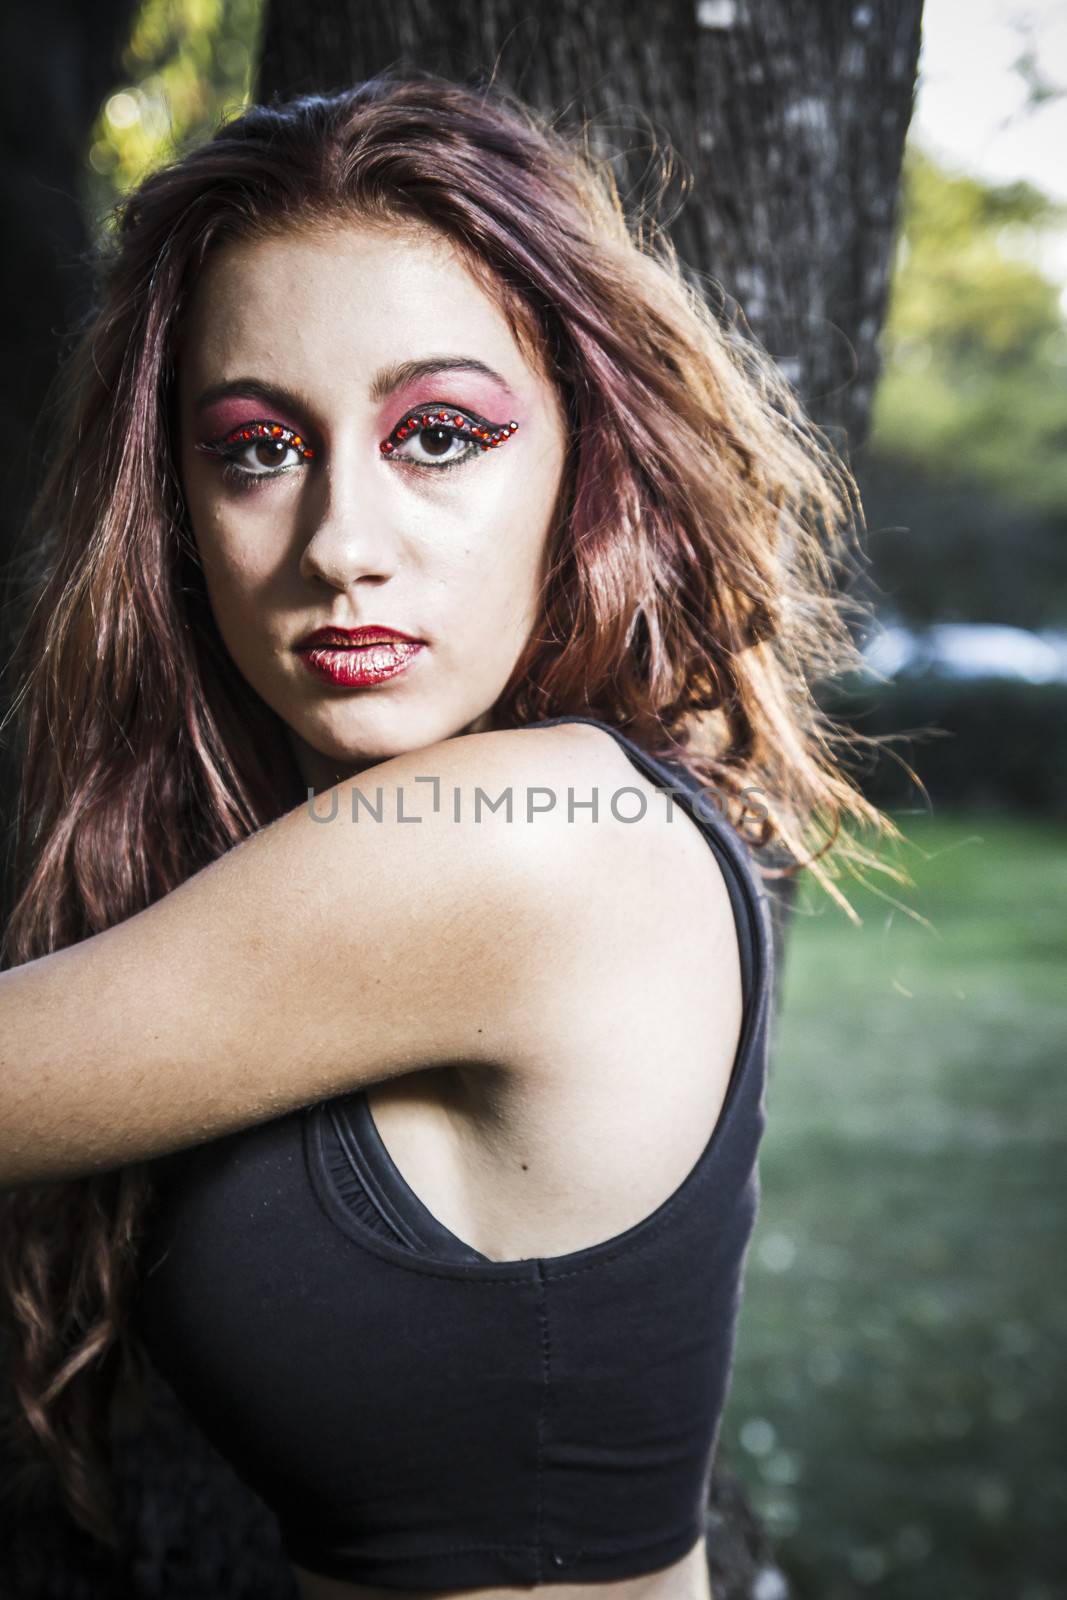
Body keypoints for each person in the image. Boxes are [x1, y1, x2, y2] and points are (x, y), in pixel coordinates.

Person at [0, 71, 906, 1600]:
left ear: (581, 457)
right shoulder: (532, 814)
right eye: (257, 447)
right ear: (176, 507)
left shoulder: (530, 840)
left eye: (437, 434)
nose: (343, 542)